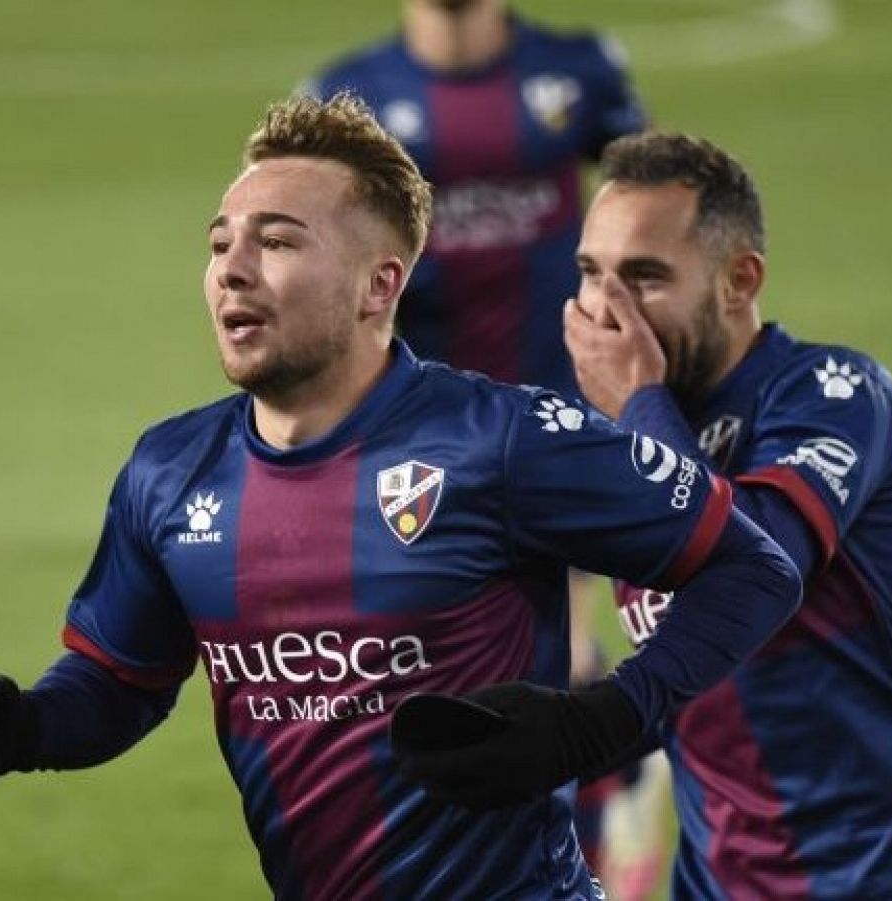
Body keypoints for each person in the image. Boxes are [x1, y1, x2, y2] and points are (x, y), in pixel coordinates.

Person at [0, 94, 802, 900]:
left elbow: (753, 567)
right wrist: (27, 727)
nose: (231, 269)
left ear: (381, 284)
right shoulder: (170, 472)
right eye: (220, 241)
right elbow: (122, 677)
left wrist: (599, 722)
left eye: (276, 240)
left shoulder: (498, 441)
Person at [556, 131, 892, 898]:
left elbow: (753, 556)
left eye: (644, 278)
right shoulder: (604, 432)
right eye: (591, 273)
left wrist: (638, 402)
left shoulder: (833, 394)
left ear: (739, 282)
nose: (608, 311)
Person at [311, 9, 665, 884]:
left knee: (552, 663)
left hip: (562, 429)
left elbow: (657, 208)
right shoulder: (349, 97)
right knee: (428, 681)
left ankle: (594, 816)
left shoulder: (577, 68)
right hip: (415, 449)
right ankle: (609, 779)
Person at [308, 0, 646, 392]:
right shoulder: (347, 96)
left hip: (574, 401)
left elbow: (656, 190)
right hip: (422, 413)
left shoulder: (581, 69)